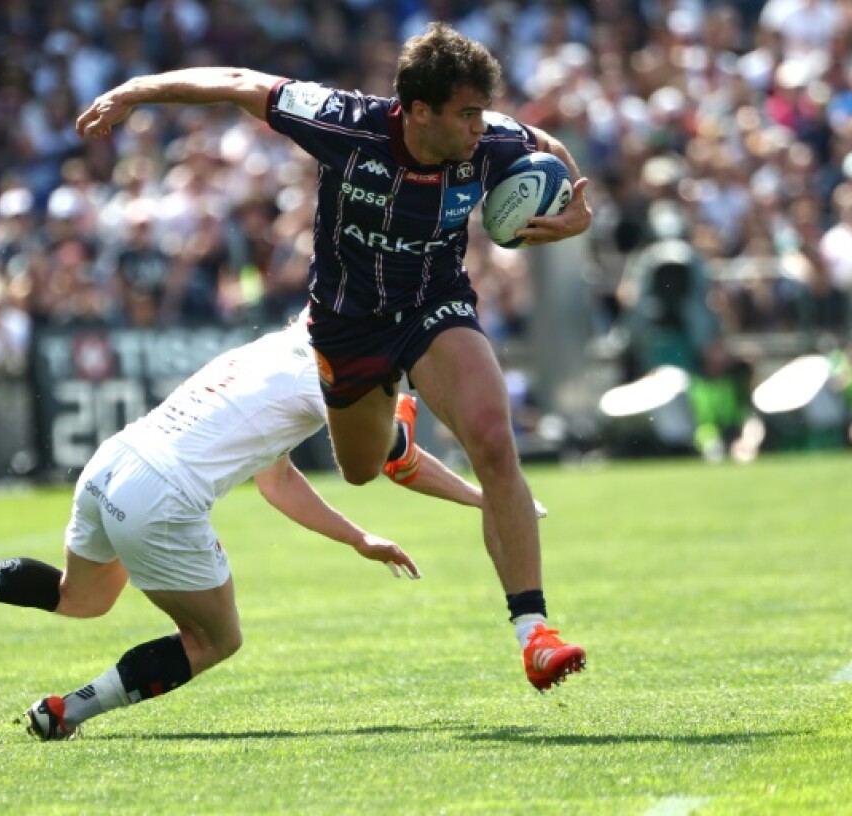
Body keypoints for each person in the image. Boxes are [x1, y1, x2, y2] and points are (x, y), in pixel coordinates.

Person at [74, 22, 591, 690]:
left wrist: (578, 209)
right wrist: (137, 91)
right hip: (347, 333)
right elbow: (240, 84)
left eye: (480, 111)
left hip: (435, 307)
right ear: (418, 110)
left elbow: (547, 148)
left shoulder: (491, 140)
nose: (478, 126)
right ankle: (393, 433)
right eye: (465, 113)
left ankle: (535, 633)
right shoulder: (348, 125)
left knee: (493, 441)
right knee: (360, 467)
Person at [0, 315, 546, 740]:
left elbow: (275, 478)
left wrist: (357, 537)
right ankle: (67, 711)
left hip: (113, 462)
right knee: (217, 639)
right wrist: (492, 499)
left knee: (83, 596)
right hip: (163, 496)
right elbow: (400, 460)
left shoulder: (269, 351)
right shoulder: (340, 378)